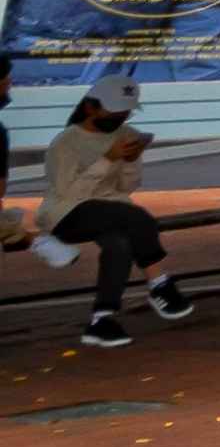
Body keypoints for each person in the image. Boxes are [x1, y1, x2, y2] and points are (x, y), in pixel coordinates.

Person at [18, 85, 195, 350]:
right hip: (67, 214)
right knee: (138, 218)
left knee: (119, 245)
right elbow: (68, 193)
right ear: (91, 107)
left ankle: (101, 319)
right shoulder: (66, 142)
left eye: (126, 112)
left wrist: (131, 160)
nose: (121, 117)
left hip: (112, 212)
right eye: (115, 111)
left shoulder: (126, 134)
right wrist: (107, 160)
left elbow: (125, 187)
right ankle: (159, 282)